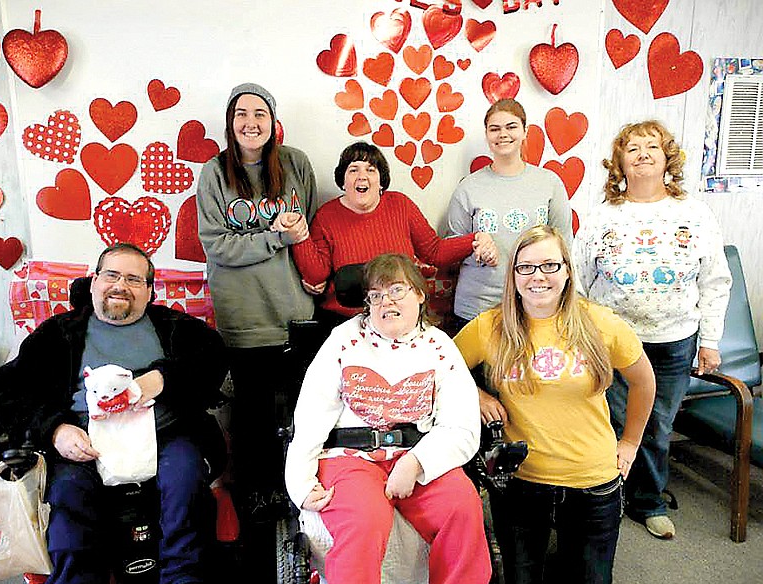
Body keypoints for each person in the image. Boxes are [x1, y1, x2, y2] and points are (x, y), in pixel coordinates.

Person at [0, 243, 229, 584]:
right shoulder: (58, 334)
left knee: (185, 475)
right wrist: (55, 429)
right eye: (112, 275)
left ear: (149, 292)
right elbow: (11, 394)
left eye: (134, 279)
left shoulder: (174, 328)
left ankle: (183, 581)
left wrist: (160, 380)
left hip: (164, 433)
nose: (121, 285)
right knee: (67, 494)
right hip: (85, 440)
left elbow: (214, 359)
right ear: (93, 283)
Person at [454, 225, 656, 584]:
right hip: (519, 482)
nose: (538, 277)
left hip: (592, 481)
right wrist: (477, 394)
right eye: (526, 267)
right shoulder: (490, 327)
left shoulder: (600, 323)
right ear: (512, 275)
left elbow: (645, 382)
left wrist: (629, 444)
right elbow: (441, 371)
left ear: (567, 271)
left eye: (549, 265)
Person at [285, 253, 492, 584]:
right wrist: (300, 482)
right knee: (364, 521)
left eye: (397, 290)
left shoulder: (440, 347)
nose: (387, 302)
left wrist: (415, 464)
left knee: (462, 507)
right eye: (376, 295)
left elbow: (463, 426)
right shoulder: (343, 341)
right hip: (349, 457)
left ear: (420, 295)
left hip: (418, 453)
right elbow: (310, 416)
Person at [574, 120, 732, 540]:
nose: (642, 154)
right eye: (633, 148)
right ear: (620, 163)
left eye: (652, 147)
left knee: (658, 425)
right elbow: (579, 279)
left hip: (674, 340)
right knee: (615, 421)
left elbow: (715, 280)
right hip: (613, 341)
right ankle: (611, 496)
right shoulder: (602, 216)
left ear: (667, 159)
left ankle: (649, 502)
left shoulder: (694, 213)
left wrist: (711, 341)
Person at [196, 83, 318, 517]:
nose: (251, 122)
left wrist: (307, 258)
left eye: (260, 113)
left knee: (303, 411)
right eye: (241, 114)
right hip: (243, 314)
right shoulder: (214, 173)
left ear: (273, 121)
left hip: (294, 310)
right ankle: (256, 497)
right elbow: (217, 245)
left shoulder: (295, 164)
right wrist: (275, 237)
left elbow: (310, 232)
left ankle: (299, 492)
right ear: (230, 123)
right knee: (252, 416)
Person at [291, 141, 497, 328]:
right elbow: (316, 276)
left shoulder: (400, 205)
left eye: (370, 170)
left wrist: (476, 240)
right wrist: (299, 236)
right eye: (353, 170)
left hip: (400, 318)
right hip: (347, 322)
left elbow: (434, 252)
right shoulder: (326, 215)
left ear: (381, 182)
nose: (362, 176)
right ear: (343, 181)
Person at [446, 99, 573, 331]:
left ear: (525, 131)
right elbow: (450, 248)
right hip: (476, 309)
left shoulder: (549, 183)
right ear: (487, 135)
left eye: (511, 126)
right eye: (494, 129)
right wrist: (476, 248)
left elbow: (564, 246)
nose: (502, 134)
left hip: (533, 308)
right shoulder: (468, 187)